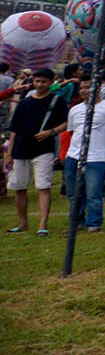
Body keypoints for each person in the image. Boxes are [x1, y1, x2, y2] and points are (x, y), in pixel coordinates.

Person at [5, 68, 68, 236]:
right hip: (20, 150)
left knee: (43, 187)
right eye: (37, 81)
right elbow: (14, 130)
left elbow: (66, 122)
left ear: (51, 82)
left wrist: (51, 132)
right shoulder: (25, 102)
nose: (39, 85)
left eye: (44, 82)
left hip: (43, 149)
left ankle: (42, 225)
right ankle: (22, 223)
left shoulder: (57, 100)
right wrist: (9, 154)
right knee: (20, 187)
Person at [63, 89, 105, 232]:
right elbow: (72, 131)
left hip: (96, 158)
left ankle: (94, 223)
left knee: (93, 193)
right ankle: (76, 221)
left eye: (88, 87)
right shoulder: (75, 109)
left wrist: (102, 146)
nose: (84, 90)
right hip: (74, 156)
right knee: (74, 192)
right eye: (81, 87)